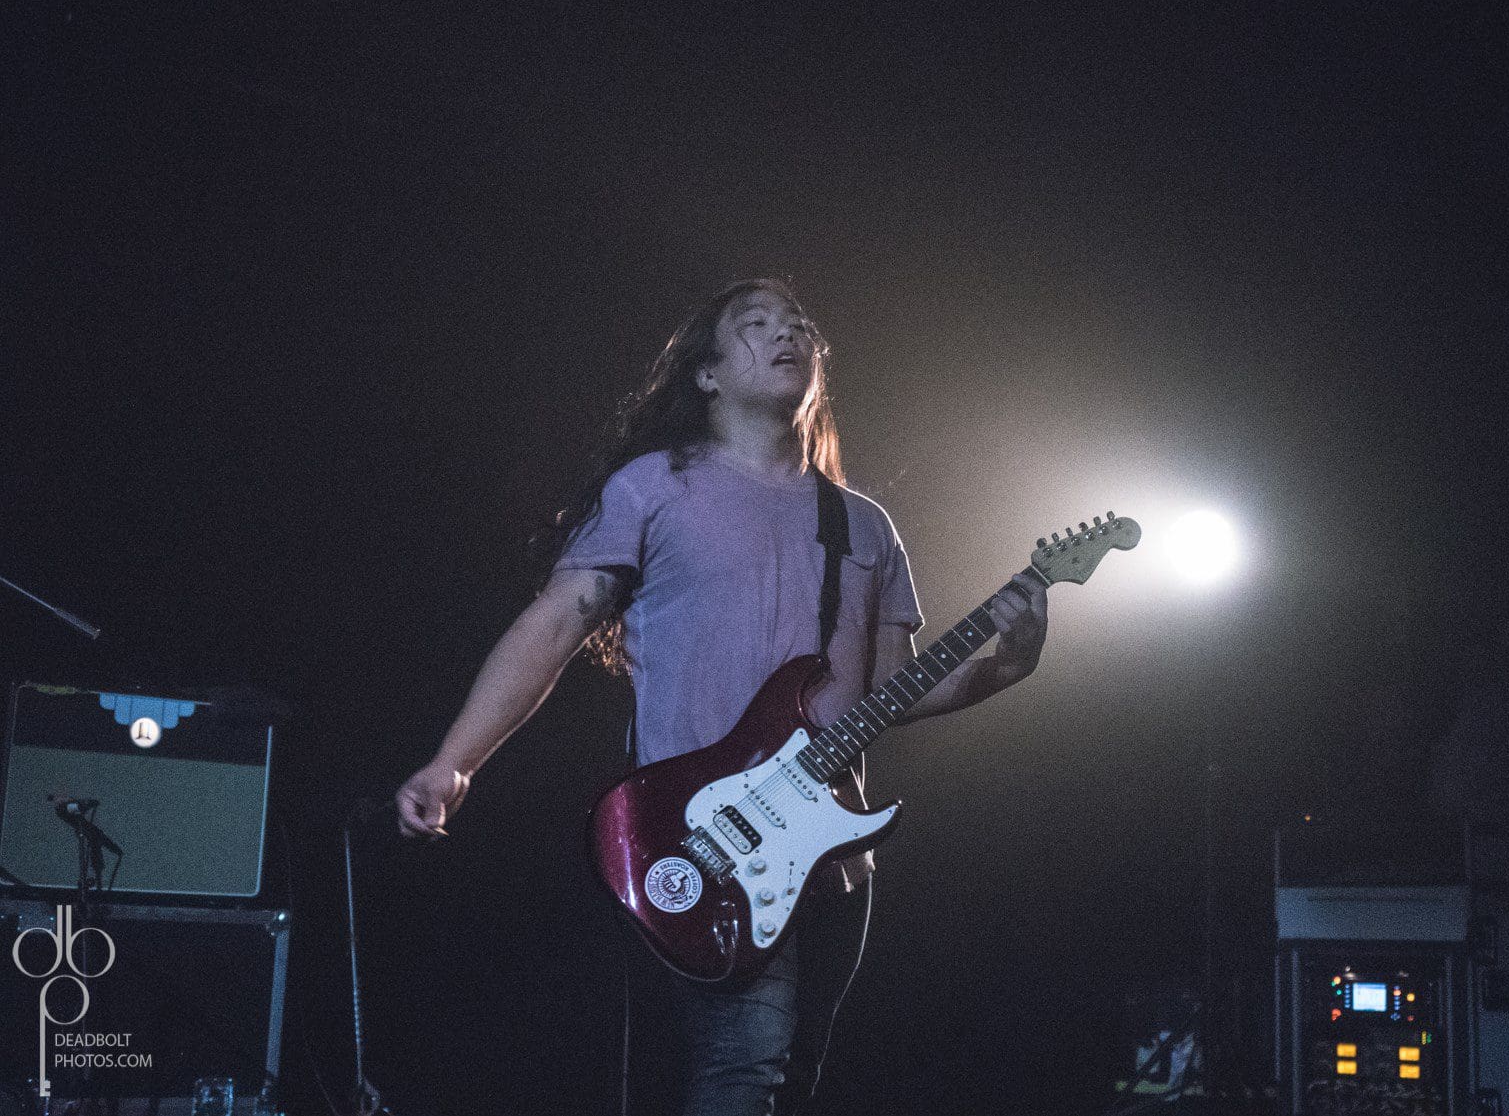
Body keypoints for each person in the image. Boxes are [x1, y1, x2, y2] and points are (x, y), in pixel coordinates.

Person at [394, 278, 1048, 1115]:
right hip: (701, 836)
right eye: (757, 322)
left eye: (800, 324)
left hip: (833, 854)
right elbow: (555, 625)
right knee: (747, 1063)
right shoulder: (654, 488)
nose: (788, 333)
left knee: (791, 1081)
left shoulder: (863, 524)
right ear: (706, 373)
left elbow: (891, 686)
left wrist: (1008, 665)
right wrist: (455, 761)